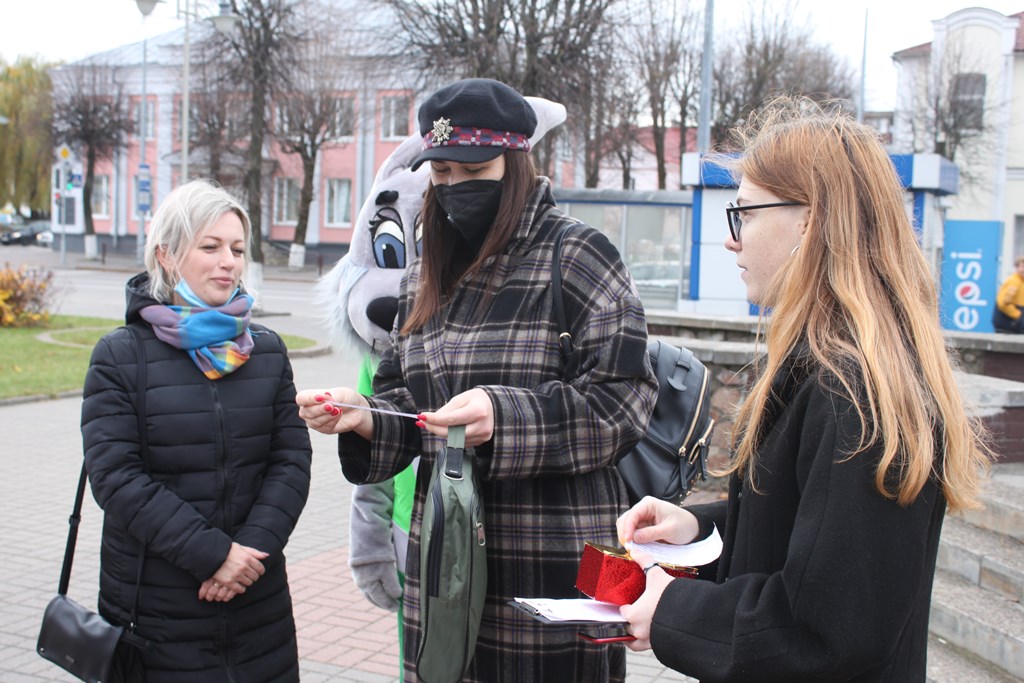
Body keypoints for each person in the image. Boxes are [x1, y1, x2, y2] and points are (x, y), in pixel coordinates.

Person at [616, 96, 993, 682]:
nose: (731, 241)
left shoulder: (855, 392)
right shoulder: (834, 367)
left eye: (745, 214)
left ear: (811, 221)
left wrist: (673, 608)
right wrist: (697, 530)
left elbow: (827, 627)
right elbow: (806, 530)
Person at [297, 78, 657, 682]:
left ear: (514, 160)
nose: (455, 188)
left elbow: (626, 398)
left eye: (474, 169)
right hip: (447, 559)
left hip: (562, 560)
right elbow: (406, 399)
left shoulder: (577, 253)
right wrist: (365, 415)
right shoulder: (423, 271)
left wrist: (506, 416)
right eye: (440, 173)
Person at [81, 179, 312, 682]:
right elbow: (116, 478)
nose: (228, 261)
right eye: (210, 247)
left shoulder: (267, 349)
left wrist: (249, 554)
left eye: (237, 248)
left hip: (257, 600)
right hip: (158, 606)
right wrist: (214, 556)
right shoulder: (120, 355)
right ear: (166, 255)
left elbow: (291, 461)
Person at [993, 255, 1024, 333]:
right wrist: (1019, 316)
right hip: (1008, 326)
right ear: (1016, 268)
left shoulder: (1021, 282)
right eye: (1022, 267)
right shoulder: (1014, 282)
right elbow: (1004, 303)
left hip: (1012, 326)